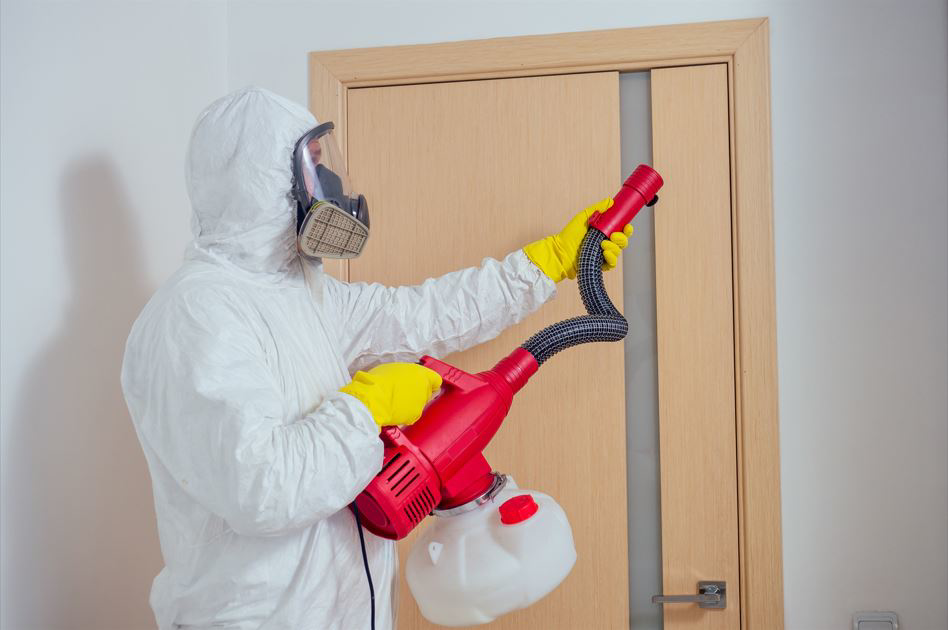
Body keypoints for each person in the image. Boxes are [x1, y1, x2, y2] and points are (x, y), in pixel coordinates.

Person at [121, 86, 632, 630]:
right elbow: (261, 489)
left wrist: (548, 262)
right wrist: (366, 408)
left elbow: (423, 314)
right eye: (313, 168)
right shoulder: (195, 314)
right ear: (260, 183)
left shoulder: (301, 295)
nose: (330, 188)